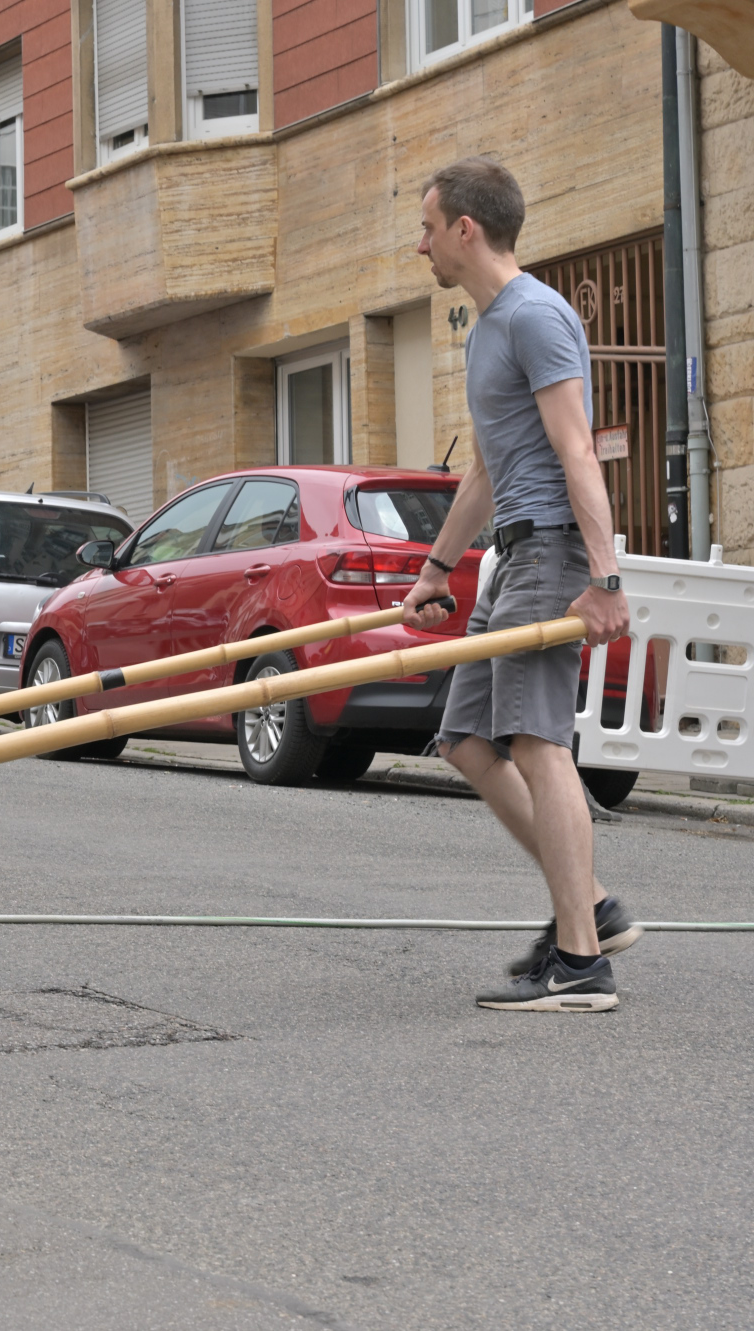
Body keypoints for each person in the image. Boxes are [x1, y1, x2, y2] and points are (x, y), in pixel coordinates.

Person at [402, 157, 638, 1013]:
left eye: (428, 227)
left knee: (539, 744)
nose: (419, 243)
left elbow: (578, 449)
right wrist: (436, 570)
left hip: (551, 554)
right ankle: (593, 907)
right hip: (511, 554)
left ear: (467, 229)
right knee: (466, 737)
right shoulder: (488, 327)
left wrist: (605, 578)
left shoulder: (537, 317)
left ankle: (581, 962)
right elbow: (485, 473)